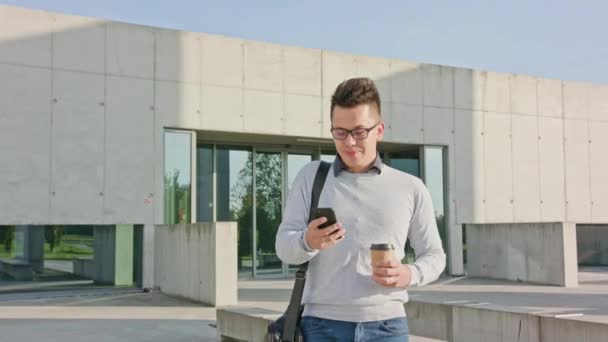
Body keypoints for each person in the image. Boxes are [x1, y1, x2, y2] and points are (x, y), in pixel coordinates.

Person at [275, 77, 446, 341]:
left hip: (387, 327)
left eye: (359, 131)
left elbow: (435, 255)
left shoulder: (410, 187)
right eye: (340, 132)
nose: (349, 142)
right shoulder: (311, 177)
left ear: (379, 130)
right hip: (321, 325)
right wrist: (307, 241)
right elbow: (284, 247)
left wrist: (409, 273)